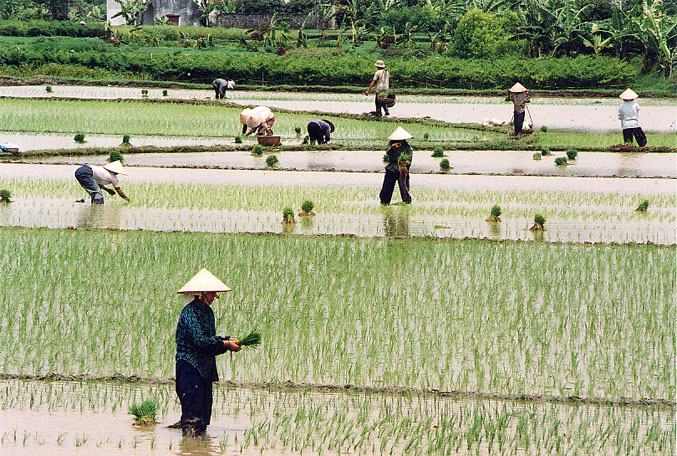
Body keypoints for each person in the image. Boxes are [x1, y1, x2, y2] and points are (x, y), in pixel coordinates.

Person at [175, 268, 241, 438]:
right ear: (201, 293)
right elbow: (201, 341)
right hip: (190, 367)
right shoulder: (189, 313)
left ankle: (200, 448)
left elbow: (209, 341)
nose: (215, 296)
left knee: (203, 417)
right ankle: (190, 447)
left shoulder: (208, 312)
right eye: (212, 293)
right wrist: (226, 344)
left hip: (204, 368)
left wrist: (227, 341)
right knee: (192, 418)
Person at [380, 127, 413, 205]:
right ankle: (384, 203)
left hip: (402, 170)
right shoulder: (391, 144)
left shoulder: (407, 148)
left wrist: (405, 163)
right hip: (391, 169)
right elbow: (388, 154)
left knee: (404, 188)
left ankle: (406, 202)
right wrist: (392, 148)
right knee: (386, 189)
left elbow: (409, 159)